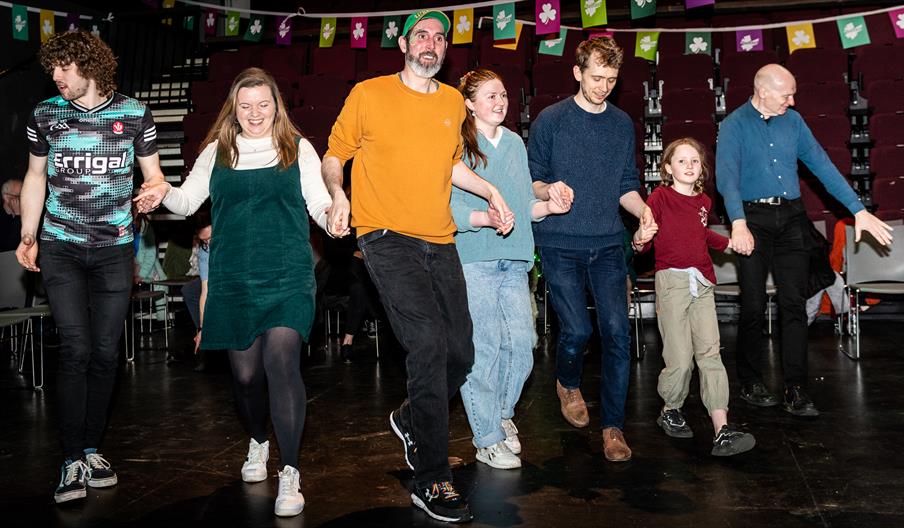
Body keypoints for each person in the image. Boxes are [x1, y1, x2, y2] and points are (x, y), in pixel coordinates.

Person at [321, 10, 514, 524]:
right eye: (421, 35)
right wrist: (338, 196)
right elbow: (334, 155)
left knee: (462, 351)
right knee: (427, 344)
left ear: (446, 49)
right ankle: (432, 478)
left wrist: (491, 188)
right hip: (385, 236)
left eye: (439, 38)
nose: (431, 44)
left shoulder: (453, 102)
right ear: (404, 42)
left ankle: (411, 417)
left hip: (439, 238)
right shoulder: (369, 93)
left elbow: (450, 164)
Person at [136, 67, 333, 517]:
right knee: (245, 378)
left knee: (281, 361)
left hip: (286, 273)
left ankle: (291, 473)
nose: (255, 114)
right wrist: (161, 188)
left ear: (276, 106)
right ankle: (259, 442)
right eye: (246, 106)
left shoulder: (296, 148)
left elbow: (319, 203)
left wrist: (336, 219)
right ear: (234, 109)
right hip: (232, 276)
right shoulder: (217, 151)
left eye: (263, 104)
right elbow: (186, 203)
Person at [15, 30, 166, 504]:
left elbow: (155, 175)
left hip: (114, 250)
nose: (56, 77)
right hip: (60, 246)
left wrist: (155, 189)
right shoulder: (46, 115)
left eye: (64, 67)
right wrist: (28, 233)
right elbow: (35, 177)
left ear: (91, 66)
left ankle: (92, 447)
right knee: (76, 348)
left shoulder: (135, 114)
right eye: (52, 69)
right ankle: (70, 458)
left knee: (105, 353)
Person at [716, 64, 893, 416]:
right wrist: (737, 223)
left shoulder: (793, 122)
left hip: (792, 218)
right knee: (752, 304)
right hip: (753, 219)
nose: (792, 101)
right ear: (763, 91)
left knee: (793, 304)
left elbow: (823, 166)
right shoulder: (734, 125)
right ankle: (750, 380)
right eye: (786, 95)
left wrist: (857, 210)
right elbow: (727, 179)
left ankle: (795, 388)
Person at [527, 36, 655, 462]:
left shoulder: (621, 124)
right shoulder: (551, 119)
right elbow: (533, 178)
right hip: (559, 241)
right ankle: (567, 381)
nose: (603, 86)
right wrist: (550, 189)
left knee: (618, 334)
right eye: (596, 77)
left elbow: (626, 186)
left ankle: (614, 427)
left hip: (606, 243)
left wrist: (644, 213)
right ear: (577, 73)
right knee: (578, 331)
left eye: (611, 79)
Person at [453, 68, 573, 470]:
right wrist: (485, 219)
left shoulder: (515, 145)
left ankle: (501, 415)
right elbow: (448, 209)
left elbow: (523, 207)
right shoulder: (456, 145)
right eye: (489, 96)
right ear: (469, 102)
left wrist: (548, 208)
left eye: (503, 94)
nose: (499, 102)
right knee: (484, 349)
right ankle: (486, 437)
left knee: (523, 346)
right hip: (475, 258)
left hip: (516, 258)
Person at [633, 137, 755, 456]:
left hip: (702, 282)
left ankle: (721, 428)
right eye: (682, 160)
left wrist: (729, 243)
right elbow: (645, 238)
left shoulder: (703, 202)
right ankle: (670, 409)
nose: (689, 165)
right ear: (668, 168)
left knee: (710, 353)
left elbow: (701, 235)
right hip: (672, 282)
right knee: (680, 357)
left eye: (695, 161)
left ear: (701, 168)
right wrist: (638, 239)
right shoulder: (659, 198)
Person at [180, 209, 211, 371]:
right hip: (215, 280)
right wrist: (202, 328)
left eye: (211, 238)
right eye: (204, 241)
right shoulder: (204, 251)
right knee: (191, 291)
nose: (209, 244)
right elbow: (205, 290)